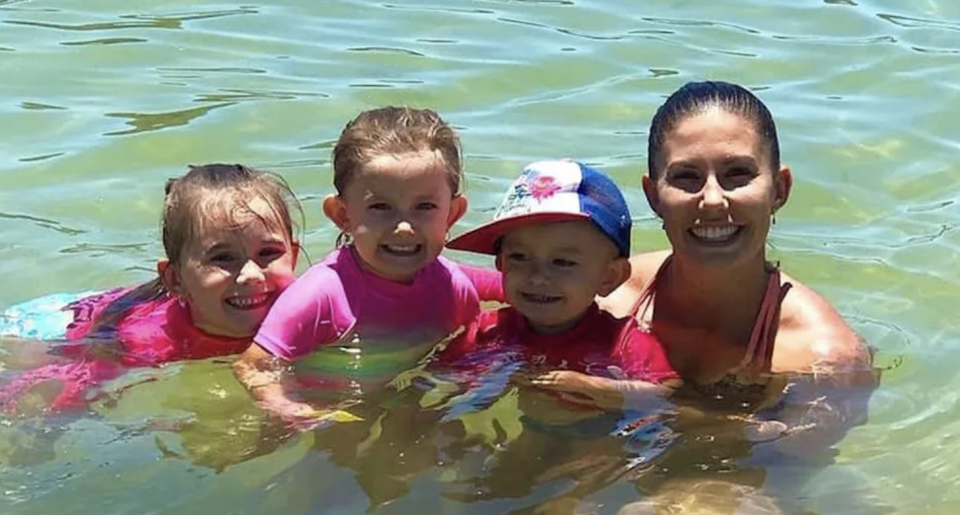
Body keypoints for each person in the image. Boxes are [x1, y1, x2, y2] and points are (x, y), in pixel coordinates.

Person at [595, 81, 879, 512]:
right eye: (687, 177)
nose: (712, 200)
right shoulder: (609, 295)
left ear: (779, 190)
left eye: (738, 174)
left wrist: (631, 399)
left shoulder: (822, 357)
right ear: (653, 196)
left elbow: (783, 470)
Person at [232, 106, 499, 426]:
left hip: (412, 400)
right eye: (380, 207)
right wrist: (296, 412)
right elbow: (252, 366)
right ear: (343, 216)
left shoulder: (454, 286)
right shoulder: (323, 294)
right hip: (331, 413)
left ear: (452, 214)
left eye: (425, 207)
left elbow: (468, 344)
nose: (403, 227)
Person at [0, 162, 301, 413]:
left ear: (294, 256)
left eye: (269, 253)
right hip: (59, 323)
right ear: (175, 279)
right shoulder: (145, 342)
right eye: (222, 258)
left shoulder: (311, 306)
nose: (251, 275)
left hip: (133, 303)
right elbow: (72, 385)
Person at [443, 159, 680, 407]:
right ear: (501, 264)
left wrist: (610, 391)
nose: (536, 276)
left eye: (562, 262)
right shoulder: (486, 332)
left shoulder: (624, 343)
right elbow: (440, 378)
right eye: (519, 257)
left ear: (609, 277)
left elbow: (668, 395)